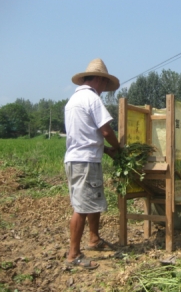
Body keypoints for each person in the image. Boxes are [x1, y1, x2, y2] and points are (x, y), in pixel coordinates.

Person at [64, 58, 120, 269]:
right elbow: (106, 131)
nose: (105, 89)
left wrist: (105, 150)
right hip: (85, 162)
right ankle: (74, 255)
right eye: (105, 84)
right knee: (81, 206)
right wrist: (119, 148)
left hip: (78, 158)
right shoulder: (92, 99)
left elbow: (85, 136)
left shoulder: (72, 101)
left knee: (91, 201)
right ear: (98, 79)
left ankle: (94, 239)